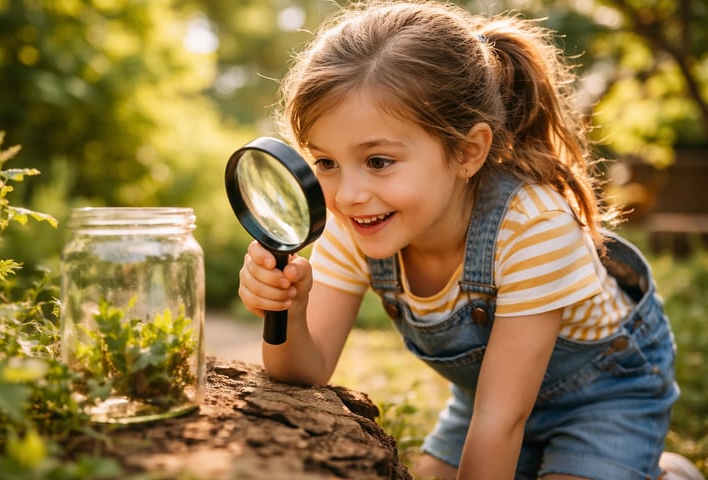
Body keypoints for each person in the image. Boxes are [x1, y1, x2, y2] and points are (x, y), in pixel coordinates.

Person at [236, 1, 702, 479]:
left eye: (378, 161)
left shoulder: (533, 226)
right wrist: (289, 310)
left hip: (604, 393)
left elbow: (502, 421)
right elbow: (307, 372)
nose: (349, 194)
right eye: (326, 162)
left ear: (468, 151)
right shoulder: (353, 222)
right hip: (487, 396)